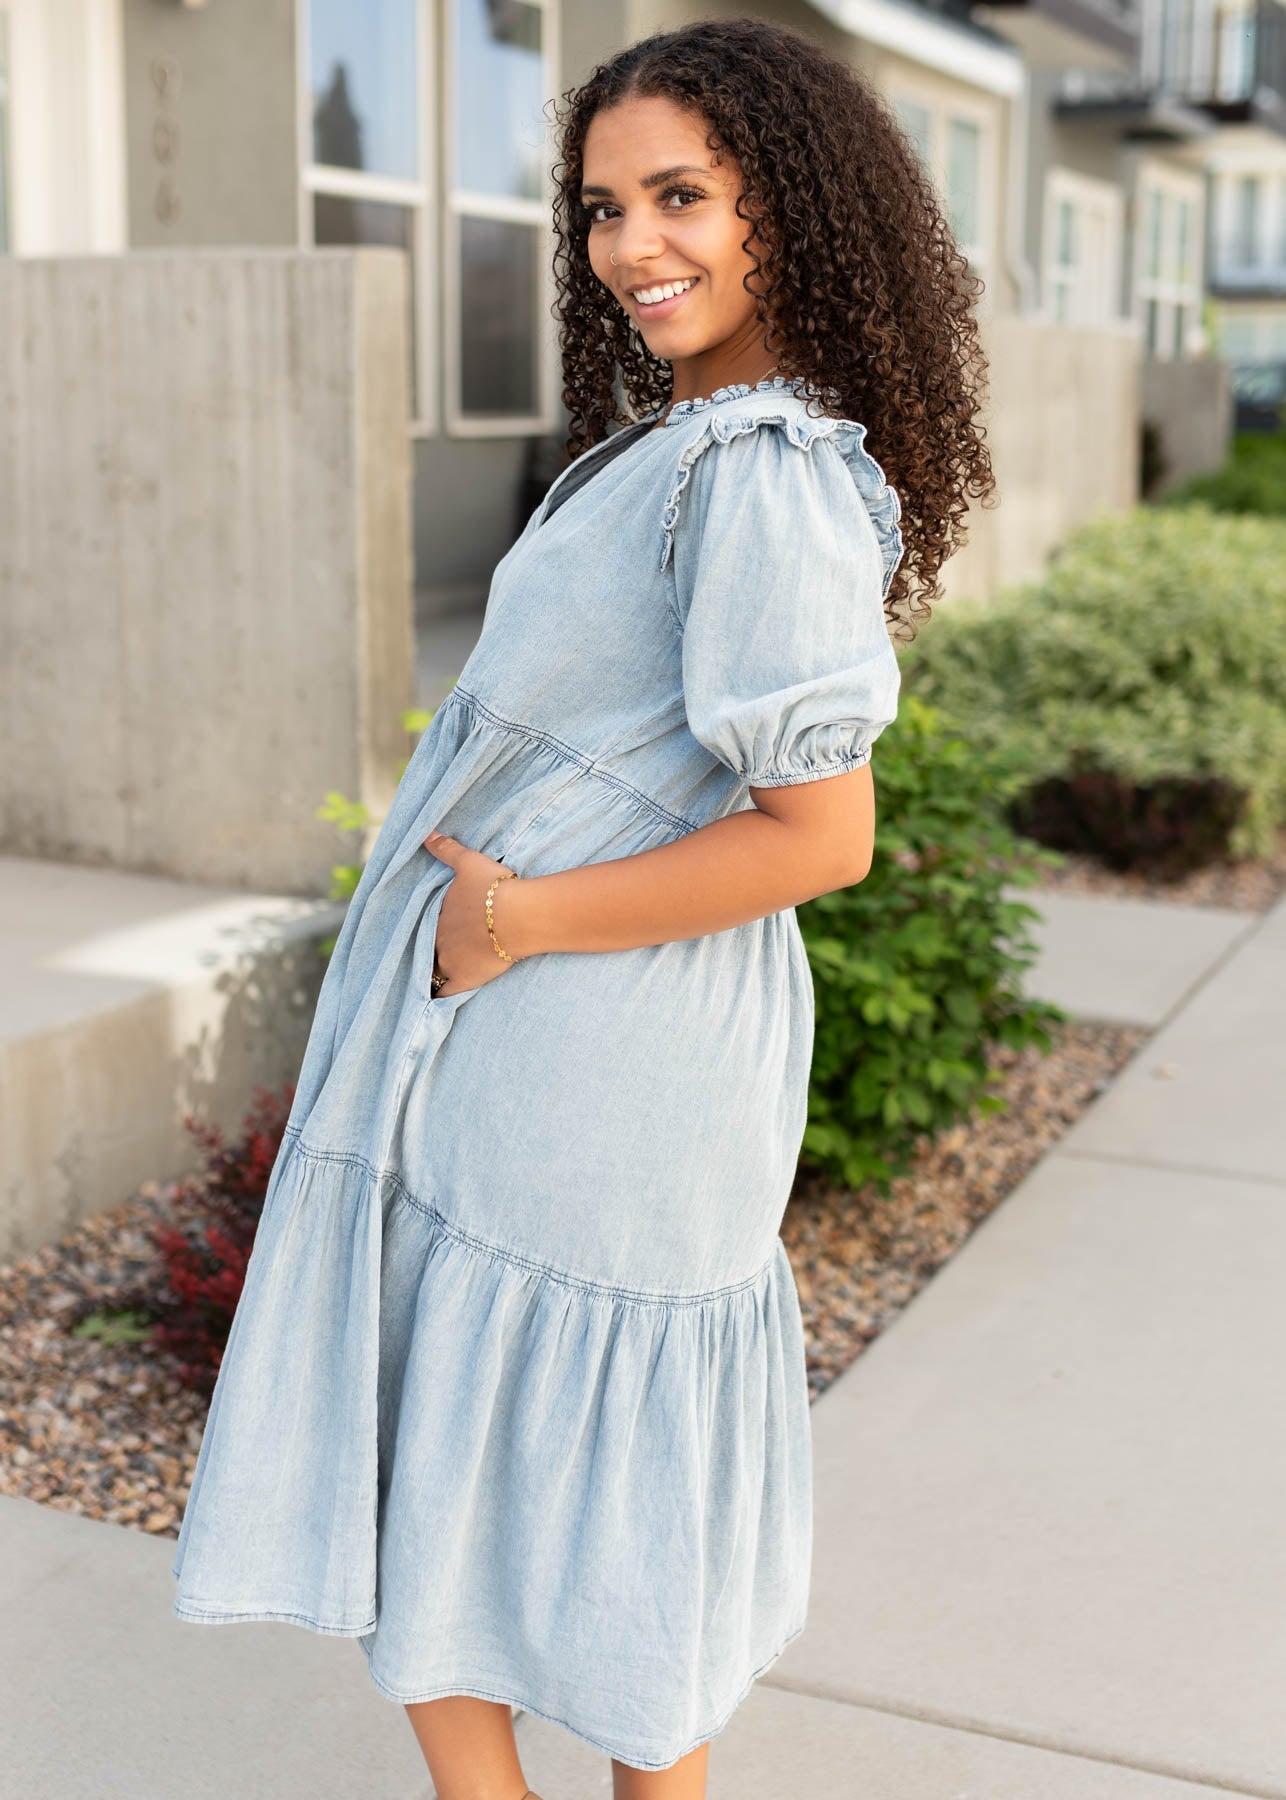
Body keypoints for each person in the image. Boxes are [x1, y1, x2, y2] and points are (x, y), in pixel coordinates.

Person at [170, 17, 992, 1800]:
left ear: (797, 207)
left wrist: (516, 927)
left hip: (595, 1038)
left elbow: (817, 833)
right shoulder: (687, 440)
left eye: (681, 195)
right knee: (503, 1475)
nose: (633, 246)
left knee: (579, 1510)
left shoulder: (762, 472)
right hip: (539, 1022)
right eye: (603, 206)